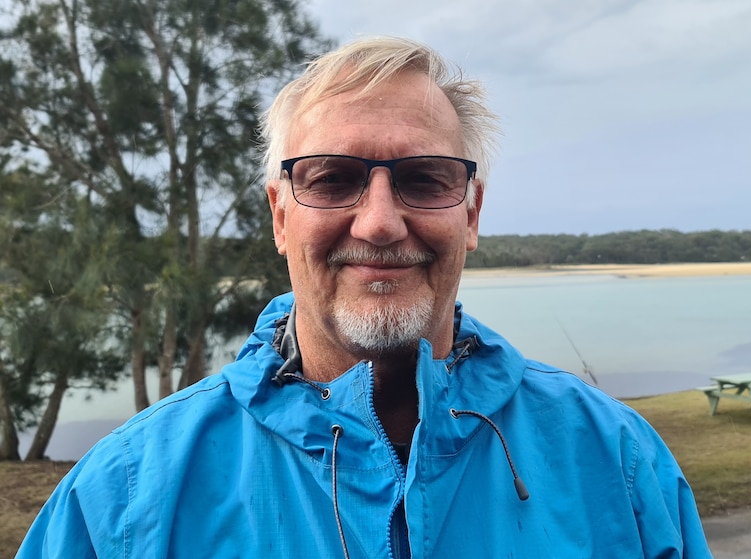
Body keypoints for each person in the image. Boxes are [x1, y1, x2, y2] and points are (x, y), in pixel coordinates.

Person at [17, 36, 712, 558]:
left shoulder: (617, 462)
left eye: (424, 178)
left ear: (469, 214)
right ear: (281, 215)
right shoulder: (126, 495)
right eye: (331, 177)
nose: (379, 220)